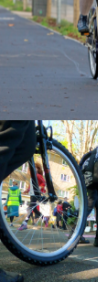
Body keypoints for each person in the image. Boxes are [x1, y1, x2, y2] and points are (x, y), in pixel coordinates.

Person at [0, 121, 36, 282]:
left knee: (26, 146)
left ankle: (18, 221)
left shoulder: (14, 189)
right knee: (8, 135)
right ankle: (21, 222)